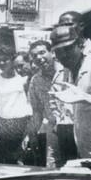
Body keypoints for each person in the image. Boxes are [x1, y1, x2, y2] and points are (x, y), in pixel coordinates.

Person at [48, 25, 91, 160]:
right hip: (84, 148)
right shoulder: (66, 70)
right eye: (58, 51)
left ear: (80, 44)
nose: (64, 55)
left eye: (68, 49)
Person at [0, 45, 33, 165]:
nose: (2, 63)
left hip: (22, 123)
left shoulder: (22, 78)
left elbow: (31, 105)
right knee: (2, 162)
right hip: (4, 124)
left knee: (21, 160)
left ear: (12, 59)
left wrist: (29, 131)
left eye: (5, 59)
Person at [26, 39, 59, 167]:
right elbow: (36, 110)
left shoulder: (66, 72)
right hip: (52, 131)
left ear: (52, 53)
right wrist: (33, 135)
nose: (39, 58)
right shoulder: (35, 81)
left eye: (42, 52)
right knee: (52, 167)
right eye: (35, 56)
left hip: (72, 128)